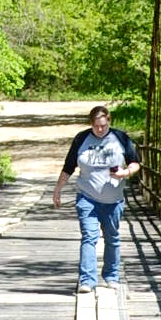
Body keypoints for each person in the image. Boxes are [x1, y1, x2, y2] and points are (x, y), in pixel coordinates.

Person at [53, 104, 141, 290]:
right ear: (91, 124)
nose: (100, 130)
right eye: (96, 126)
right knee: (89, 236)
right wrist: (58, 189)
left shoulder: (120, 138)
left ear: (109, 121)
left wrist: (125, 173)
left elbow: (135, 163)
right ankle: (87, 281)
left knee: (112, 237)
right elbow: (69, 166)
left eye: (103, 125)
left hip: (113, 200)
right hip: (87, 197)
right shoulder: (81, 139)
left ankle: (112, 276)